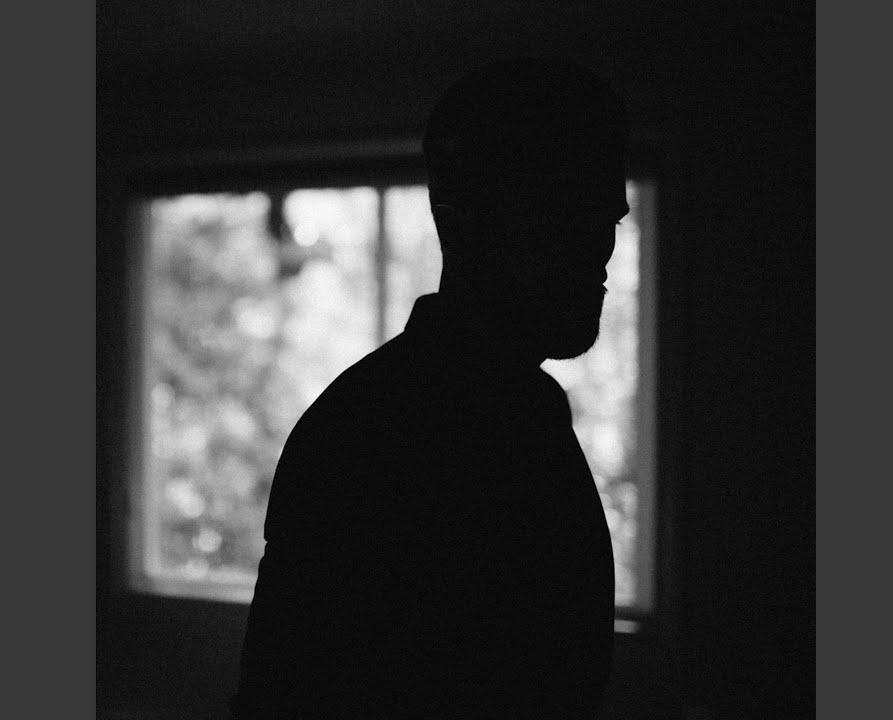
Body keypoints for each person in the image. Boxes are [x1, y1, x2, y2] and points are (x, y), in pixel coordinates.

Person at [230, 57, 630, 719]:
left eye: (607, 220)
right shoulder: (364, 438)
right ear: (459, 215)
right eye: (561, 214)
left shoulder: (531, 415)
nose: (596, 251)